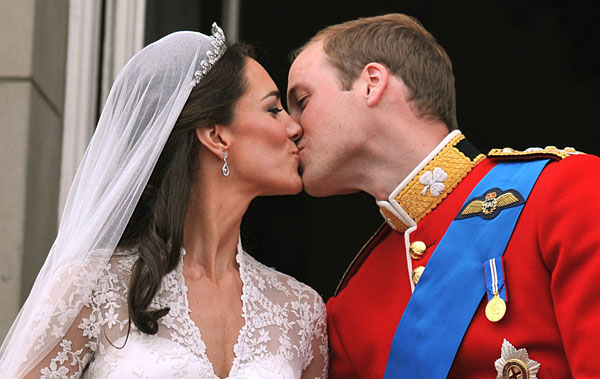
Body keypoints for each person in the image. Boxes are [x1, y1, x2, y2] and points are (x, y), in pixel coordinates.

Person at [0, 24, 328, 378]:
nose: (294, 127)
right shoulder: (93, 287)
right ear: (216, 136)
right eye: (273, 109)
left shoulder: (301, 311)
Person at [287, 13, 600, 378]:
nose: (291, 128)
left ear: (371, 83)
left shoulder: (565, 191)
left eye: (303, 100)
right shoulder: (348, 310)